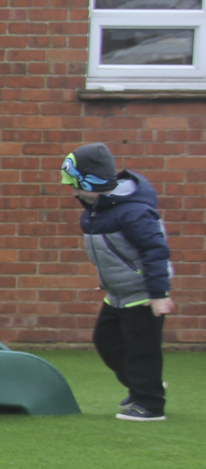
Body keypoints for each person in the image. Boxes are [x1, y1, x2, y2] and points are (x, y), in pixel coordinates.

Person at [61, 142, 173, 421]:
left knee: (141, 350)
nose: (73, 192)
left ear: (95, 182)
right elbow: (111, 254)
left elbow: (155, 251)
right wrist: (107, 279)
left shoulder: (134, 212)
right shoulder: (97, 209)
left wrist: (159, 293)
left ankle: (150, 405)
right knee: (105, 340)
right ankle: (141, 386)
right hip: (117, 293)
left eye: (77, 185)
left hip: (143, 294)